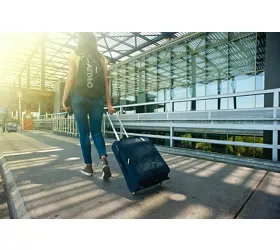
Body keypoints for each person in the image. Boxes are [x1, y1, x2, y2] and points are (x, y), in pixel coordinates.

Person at [62, 32, 115, 180]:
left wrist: (64, 99)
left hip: (79, 99)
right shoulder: (101, 58)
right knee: (97, 132)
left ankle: (88, 166)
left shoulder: (74, 54)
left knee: (84, 134)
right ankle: (104, 160)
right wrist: (109, 104)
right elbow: (105, 83)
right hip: (97, 100)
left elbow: (70, 78)